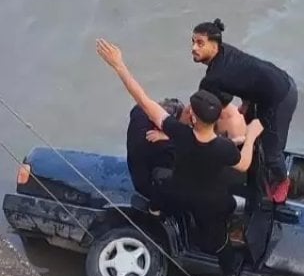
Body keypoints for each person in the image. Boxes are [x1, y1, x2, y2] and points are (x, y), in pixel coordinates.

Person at [98, 38, 263, 262]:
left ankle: (157, 212)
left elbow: (144, 101)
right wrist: (251, 136)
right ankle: (229, 269)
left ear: (193, 117)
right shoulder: (222, 147)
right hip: (210, 201)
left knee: (165, 186)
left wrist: (119, 66)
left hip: (180, 191)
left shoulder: (179, 134)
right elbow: (243, 163)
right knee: (219, 236)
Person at [191, 19, 297, 203]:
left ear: (215, 45)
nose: (193, 48)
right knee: (254, 134)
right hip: (269, 86)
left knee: (272, 153)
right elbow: (245, 76)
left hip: (281, 96)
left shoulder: (214, 78)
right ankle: (253, 159)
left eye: (200, 43)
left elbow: (201, 114)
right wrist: (247, 103)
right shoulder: (225, 52)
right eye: (192, 42)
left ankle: (283, 180)